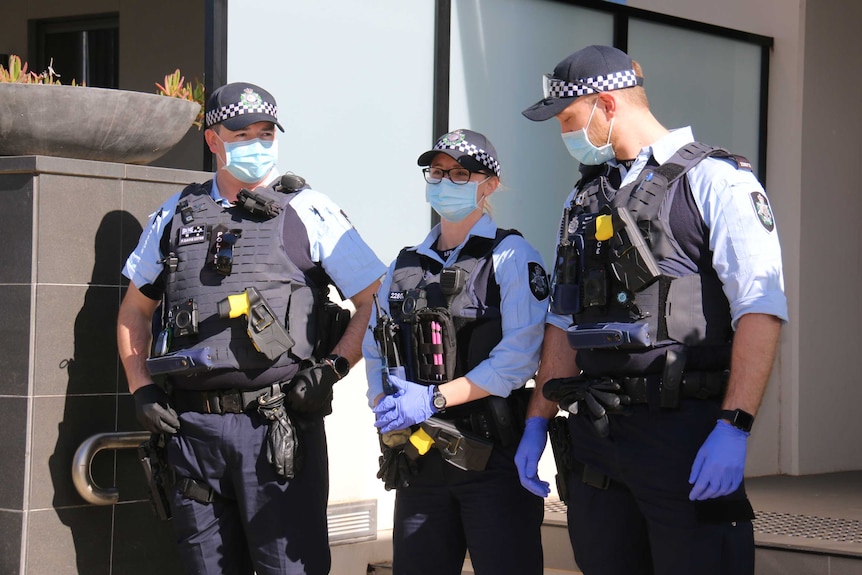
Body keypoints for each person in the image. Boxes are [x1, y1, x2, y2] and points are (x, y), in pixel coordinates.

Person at [513, 45, 788, 575]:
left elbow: (761, 308)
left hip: (683, 434)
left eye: (569, 118)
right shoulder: (583, 199)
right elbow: (564, 319)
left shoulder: (716, 180)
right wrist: (537, 421)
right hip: (597, 437)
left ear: (607, 105)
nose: (564, 133)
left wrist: (735, 426)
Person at [117, 81, 385, 575]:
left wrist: (332, 369)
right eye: (243, 134)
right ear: (213, 138)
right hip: (192, 430)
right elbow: (134, 310)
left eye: (266, 133)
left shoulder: (308, 209)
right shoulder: (175, 213)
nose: (258, 144)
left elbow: (375, 300)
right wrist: (142, 390)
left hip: (275, 426)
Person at [363, 129, 550, 575]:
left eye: (460, 173)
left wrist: (434, 398)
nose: (445, 182)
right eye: (437, 172)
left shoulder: (511, 255)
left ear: (488, 184)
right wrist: (382, 401)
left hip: (490, 458)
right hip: (419, 457)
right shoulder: (405, 264)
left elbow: (519, 356)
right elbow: (375, 344)